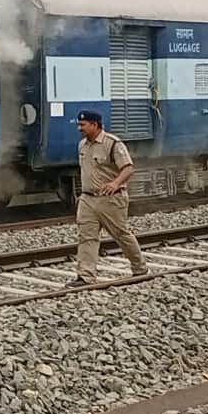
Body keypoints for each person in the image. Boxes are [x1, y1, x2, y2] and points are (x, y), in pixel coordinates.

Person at [70, 110, 149, 286]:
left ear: (95, 125)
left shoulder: (113, 144)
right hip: (88, 200)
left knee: (121, 234)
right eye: (79, 124)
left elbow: (128, 168)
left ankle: (140, 268)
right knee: (86, 237)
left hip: (110, 199)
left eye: (82, 125)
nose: (79, 128)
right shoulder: (82, 145)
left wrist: (115, 183)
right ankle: (85, 276)